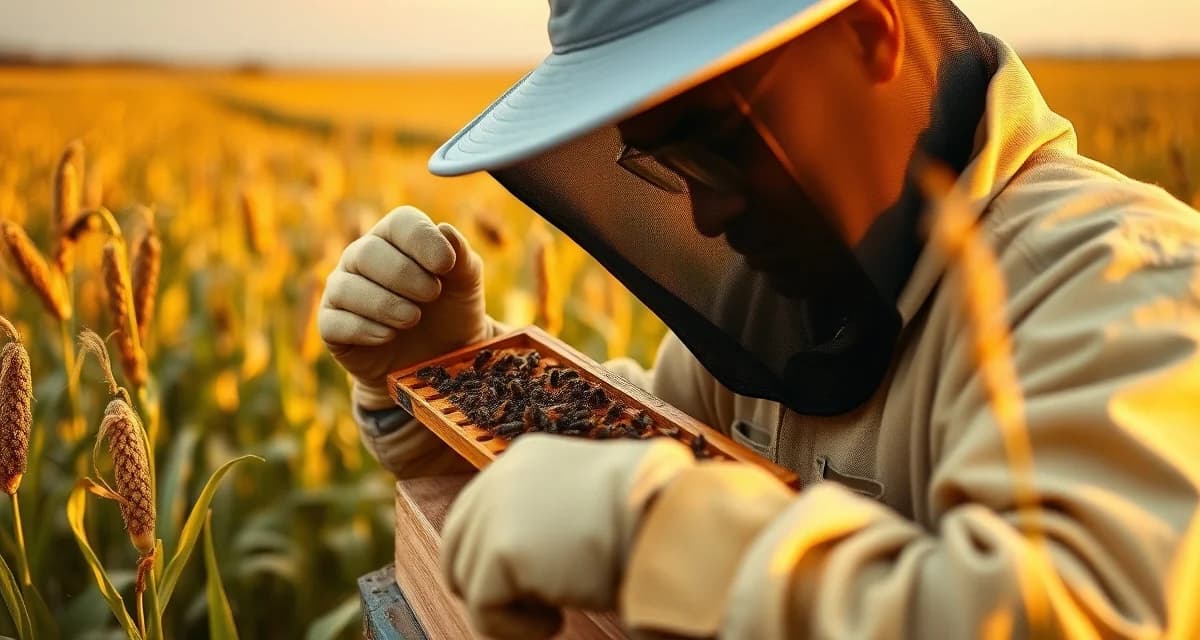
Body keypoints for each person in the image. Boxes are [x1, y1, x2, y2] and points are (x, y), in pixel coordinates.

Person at [319, 0, 1200, 637]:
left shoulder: (1127, 286)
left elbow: (1080, 612)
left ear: (868, 35)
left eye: (718, 143)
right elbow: (599, 467)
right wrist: (442, 378)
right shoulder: (782, 296)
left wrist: (670, 540)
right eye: (664, 163)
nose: (706, 216)